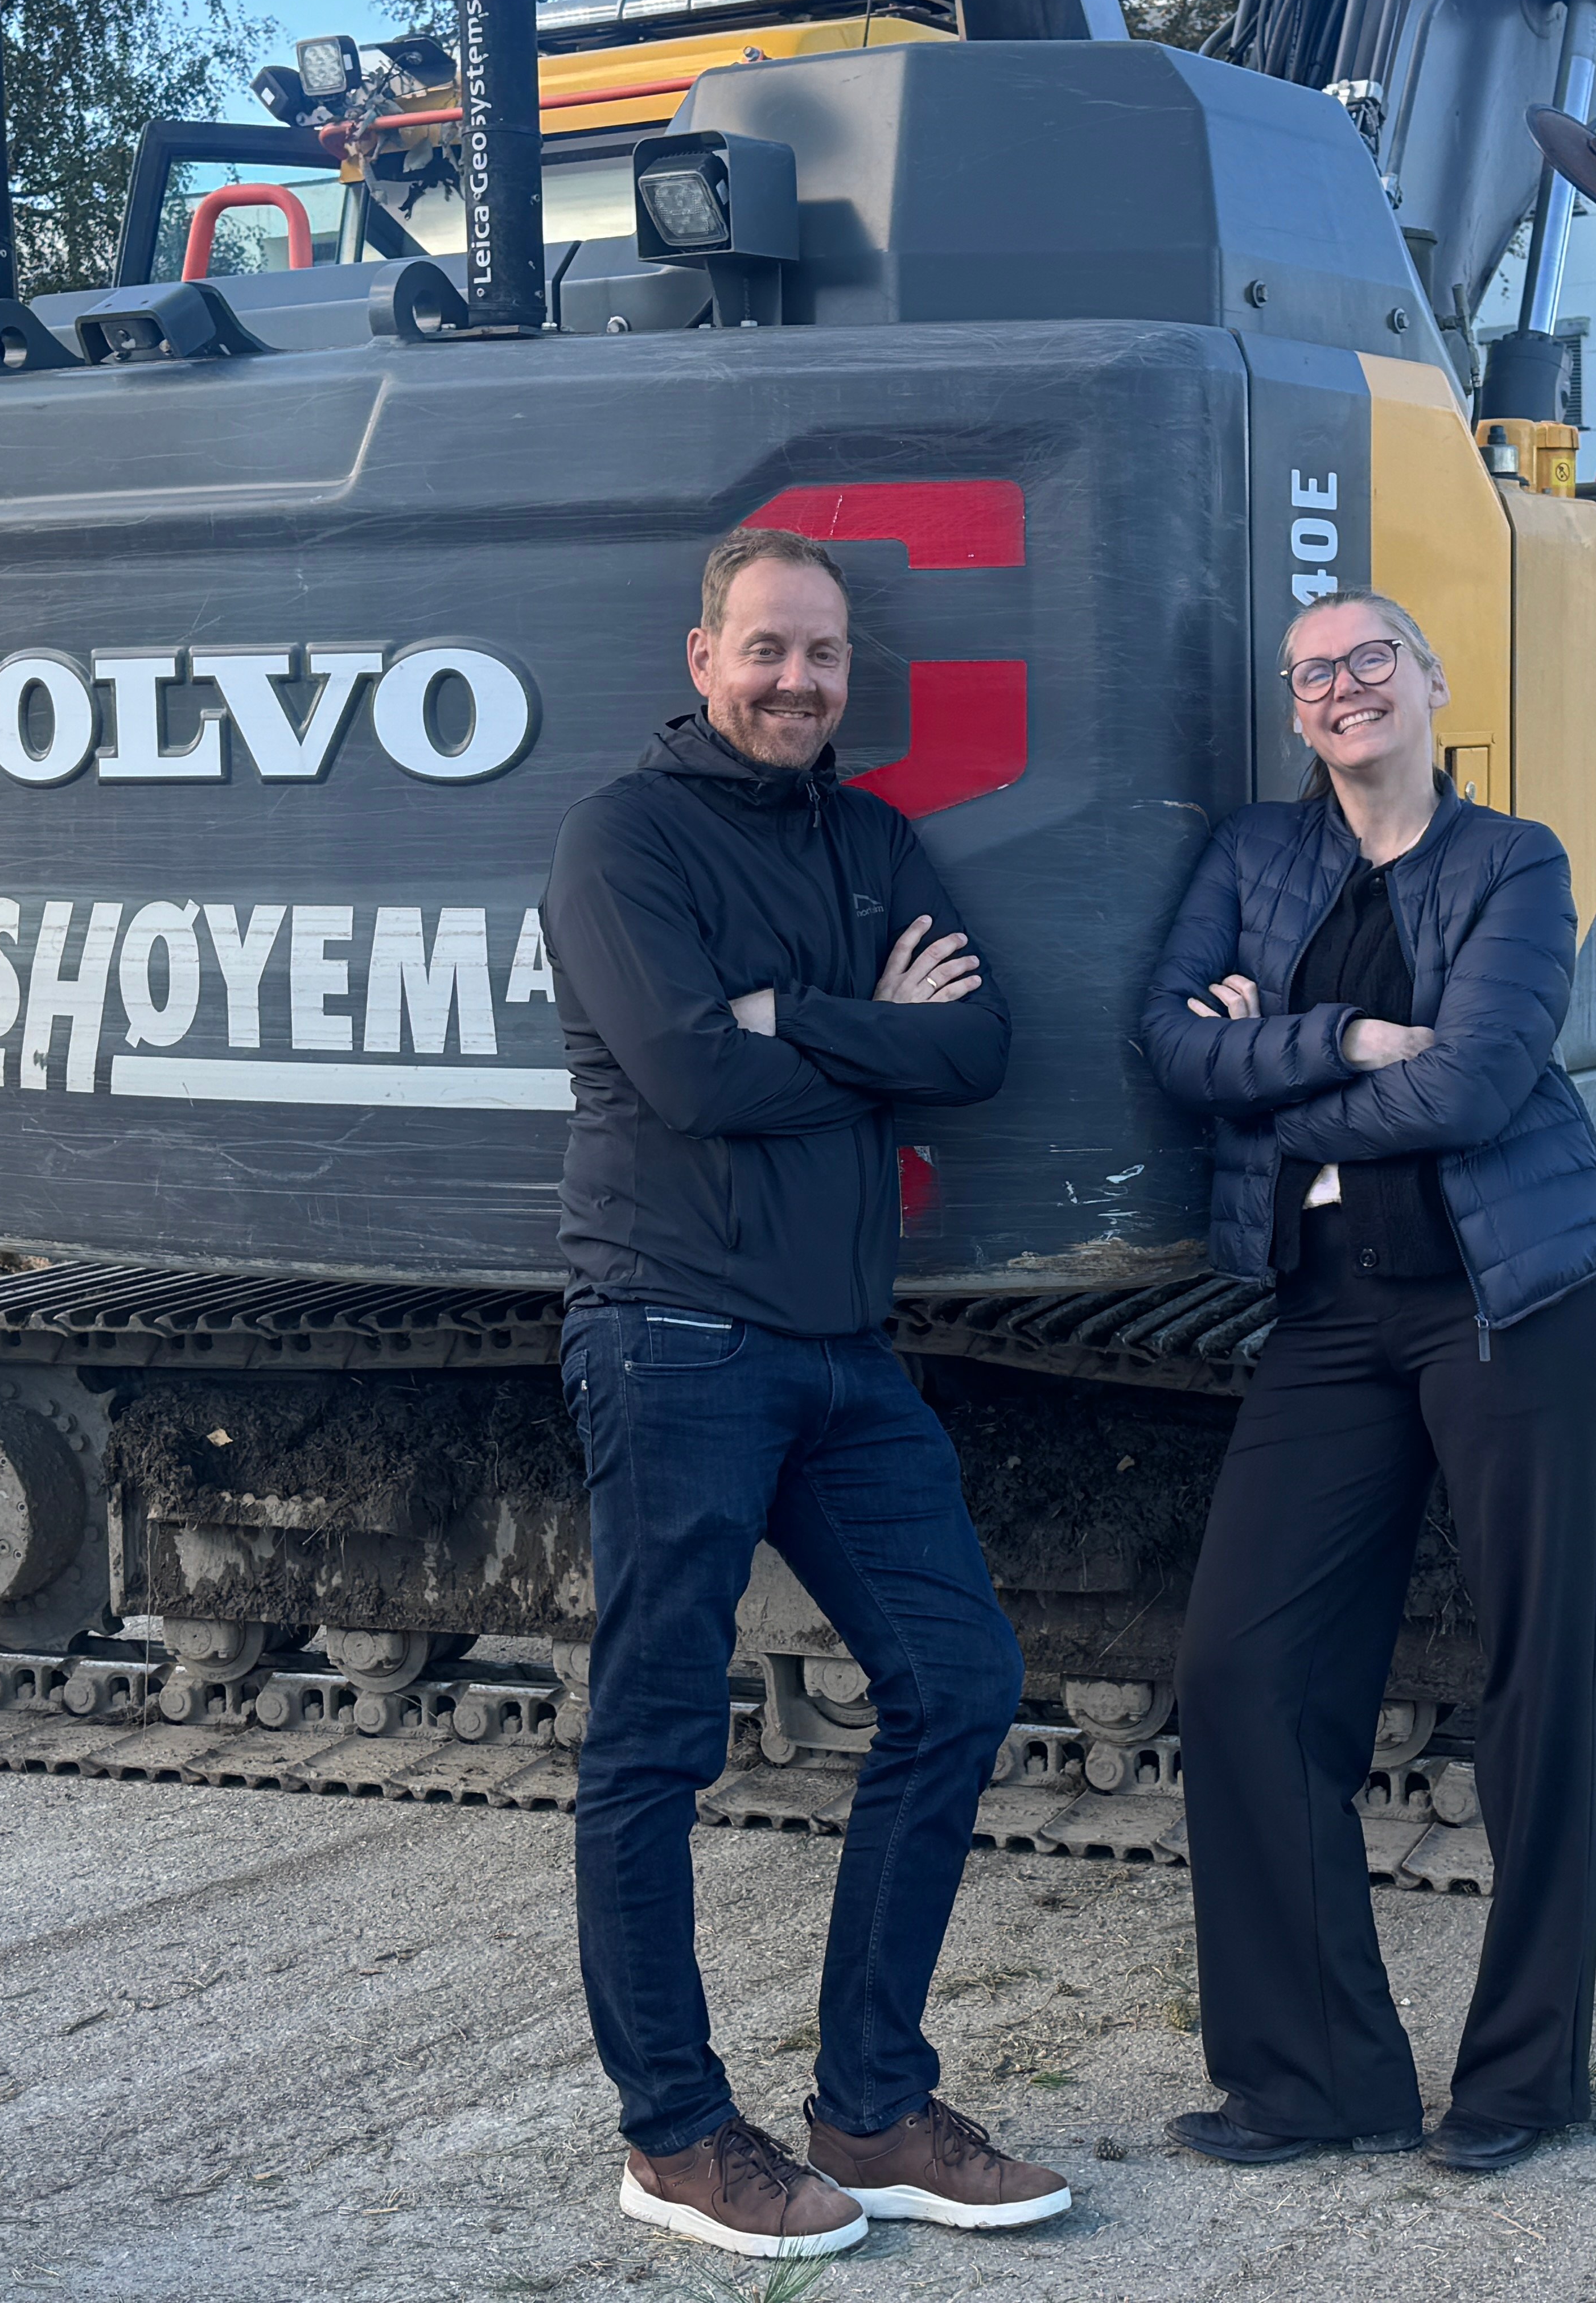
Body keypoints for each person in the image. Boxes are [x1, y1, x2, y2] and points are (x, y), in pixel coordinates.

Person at [541, 526, 1070, 2259]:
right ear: (702, 656)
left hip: (843, 1349)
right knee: (658, 1735)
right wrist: (860, 1026)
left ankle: (871, 2102)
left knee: (962, 1677)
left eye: (824, 655)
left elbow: (976, 1050)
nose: (797, 681)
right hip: (675, 1328)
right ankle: (677, 2131)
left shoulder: (872, 834)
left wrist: (798, 1012)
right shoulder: (626, 836)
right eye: (766, 649)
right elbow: (688, 1072)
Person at [1141, 587, 1596, 2178]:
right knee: (1242, 1669)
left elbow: (1485, 1080)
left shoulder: (1515, 863)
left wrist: (1267, 1072)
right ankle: (1316, 2076)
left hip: (1515, 1297)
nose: (1344, 687)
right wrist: (1350, 1038)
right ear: (1299, 714)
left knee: (1539, 1686)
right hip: (1333, 1309)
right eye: (1313, 673)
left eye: (1370, 659)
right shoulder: (1248, 857)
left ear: (1428, 680)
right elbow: (1167, 1044)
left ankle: (1522, 2081)